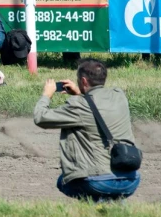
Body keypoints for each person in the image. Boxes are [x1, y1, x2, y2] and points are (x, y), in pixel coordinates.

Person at [33, 58, 141, 202]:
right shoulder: (119, 96)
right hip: (131, 179)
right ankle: (113, 208)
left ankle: (96, 207)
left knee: (64, 181)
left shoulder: (78, 105)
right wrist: (80, 93)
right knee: (112, 195)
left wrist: (46, 95)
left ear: (83, 81)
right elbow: (95, 108)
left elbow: (41, 118)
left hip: (99, 182)